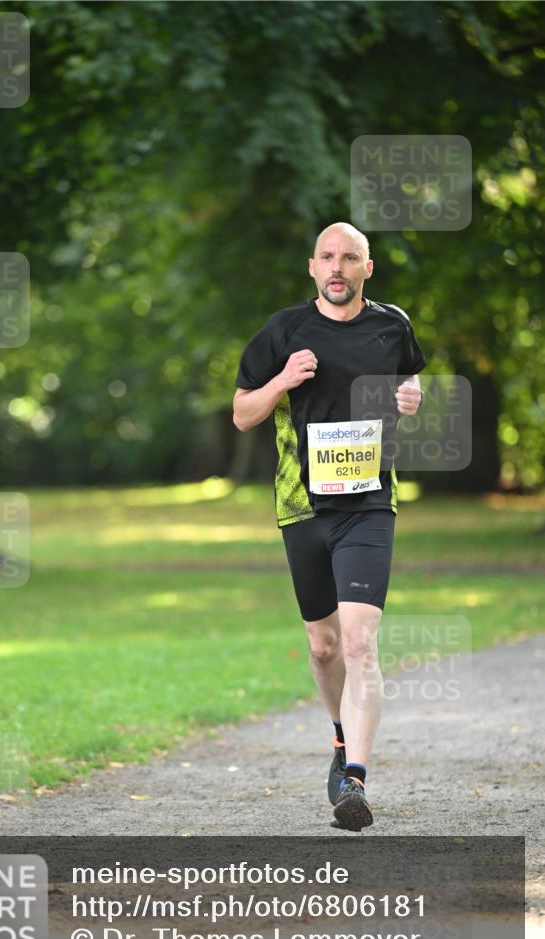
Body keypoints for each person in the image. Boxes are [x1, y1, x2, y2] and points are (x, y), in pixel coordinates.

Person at [232, 222, 425, 831]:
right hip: (303, 508)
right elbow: (242, 414)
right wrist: (283, 380)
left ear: (367, 267)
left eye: (349, 257)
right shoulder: (283, 331)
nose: (338, 267)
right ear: (312, 267)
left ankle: (356, 783)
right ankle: (341, 740)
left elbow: (409, 375)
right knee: (324, 645)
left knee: (361, 642)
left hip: (369, 505)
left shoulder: (392, 325)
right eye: (328, 257)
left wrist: (412, 394)